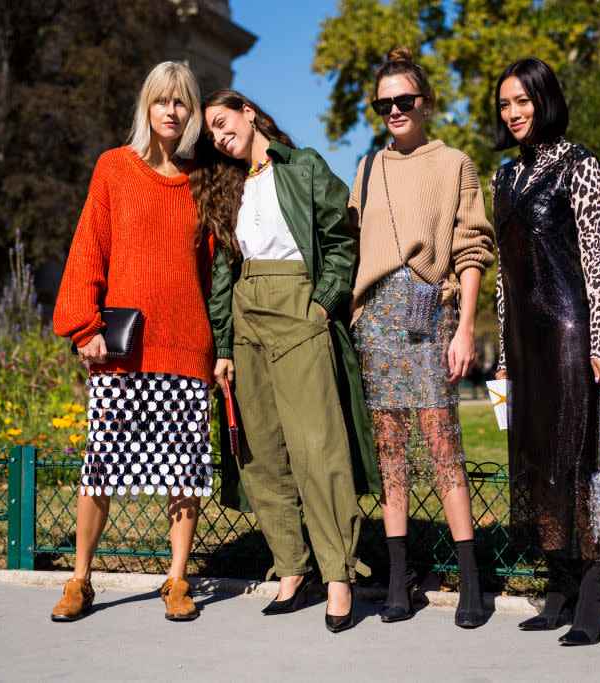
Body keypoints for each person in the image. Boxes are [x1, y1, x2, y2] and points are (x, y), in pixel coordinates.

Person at [193, 89, 381, 634]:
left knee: (316, 445)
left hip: (298, 305)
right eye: (213, 135)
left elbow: (341, 238)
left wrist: (323, 302)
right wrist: (223, 347)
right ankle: (291, 570)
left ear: (249, 113)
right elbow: (226, 271)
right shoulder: (227, 187)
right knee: (261, 451)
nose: (220, 137)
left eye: (224, 123)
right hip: (244, 311)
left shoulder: (303, 167)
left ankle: (338, 574)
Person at [51, 61, 212, 622]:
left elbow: (215, 270)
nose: (172, 111)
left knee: (182, 471)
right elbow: (88, 246)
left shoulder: (206, 178)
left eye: (183, 102)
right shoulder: (114, 168)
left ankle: (176, 580)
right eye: (162, 100)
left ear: (192, 113)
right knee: (102, 468)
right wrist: (83, 325)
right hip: (123, 352)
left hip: (187, 345)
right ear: (147, 107)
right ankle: (80, 580)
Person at [349, 47, 496, 629]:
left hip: (429, 313)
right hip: (377, 321)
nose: (394, 110)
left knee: (442, 446)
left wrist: (464, 328)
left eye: (404, 100)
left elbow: (472, 247)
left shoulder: (454, 163)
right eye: (383, 103)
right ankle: (398, 578)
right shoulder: (366, 168)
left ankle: (472, 582)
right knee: (391, 456)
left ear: (426, 102)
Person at [491, 57, 600, 646]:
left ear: (545, 101)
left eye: (523, 100)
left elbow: (593, 263)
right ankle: (559, 586)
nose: (514, 113)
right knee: (539, 459)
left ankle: (593, 594)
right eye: (505, 104)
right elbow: (501, 274)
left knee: (577, 460)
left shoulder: (581, 166)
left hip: (569, 329)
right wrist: (501, 354)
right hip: (524, 339)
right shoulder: (503, 178)